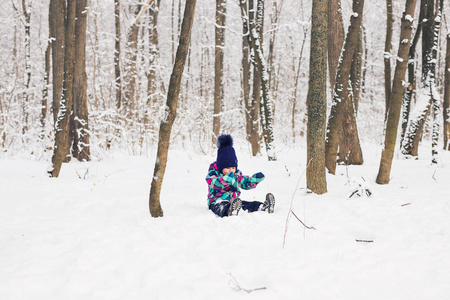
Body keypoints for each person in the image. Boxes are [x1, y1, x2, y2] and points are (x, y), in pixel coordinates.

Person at [205, 134, 275, 217]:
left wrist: (254, 180)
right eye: (227, 168)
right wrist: (225, 180)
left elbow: (244, 182)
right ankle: (229, 211)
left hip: (233, 202)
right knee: (221, 206)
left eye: (233, 167)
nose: (231, 170)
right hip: (216, 201)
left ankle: (263, 207)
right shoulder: (214, 173)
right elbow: (213, 183)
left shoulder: (235, 175)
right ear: (221, 166)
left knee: (246, 205)